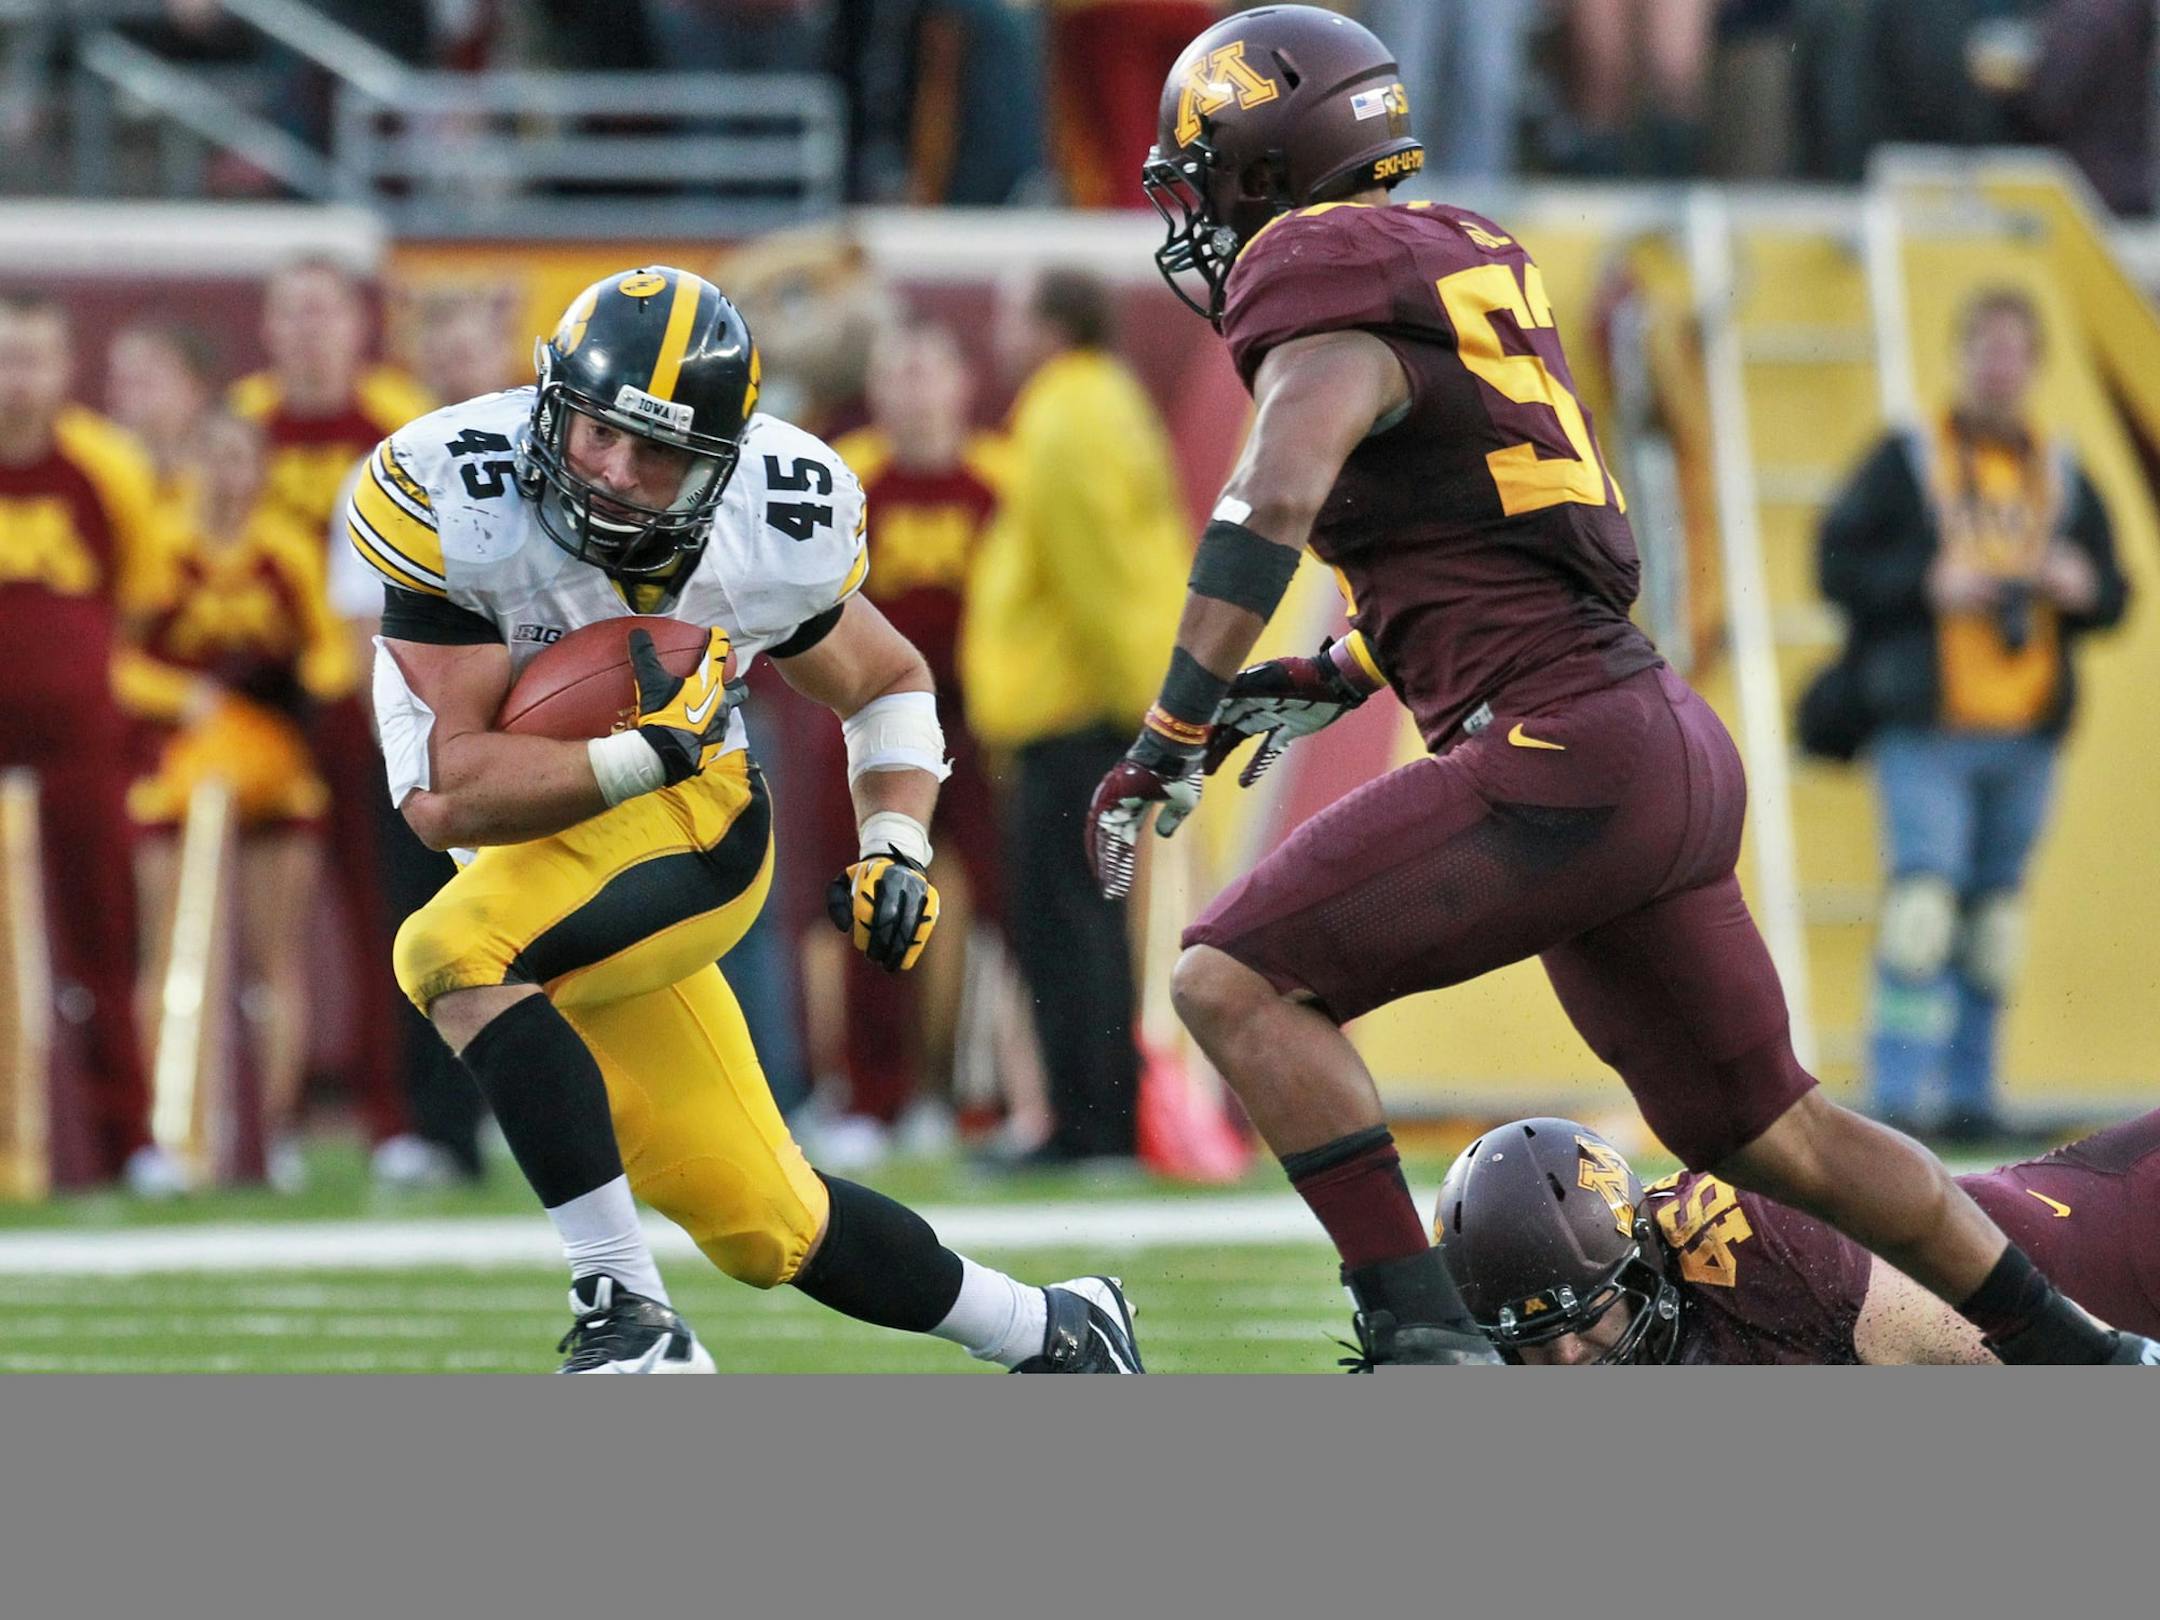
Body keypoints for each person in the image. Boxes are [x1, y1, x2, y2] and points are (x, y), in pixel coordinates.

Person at [1087, 4, 2159, 1367]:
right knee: (1775, 1132)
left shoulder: (1319, 272)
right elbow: (1517, 538)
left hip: (1560, 753)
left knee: (1231, 982)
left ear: (1264, 167)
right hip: (1650, 737)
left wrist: (1172, 724)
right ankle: (2085, 1357)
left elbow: (1271, 498)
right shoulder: (1462, 254)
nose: (1196, 219)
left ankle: (1425, 1343)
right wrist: (1345, 663)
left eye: (1204, 181)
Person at [348, 264, 1144, 1373]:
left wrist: (895, 842)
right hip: (541, 847)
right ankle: (1057, 1329)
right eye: (599, 433)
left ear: (719, 468)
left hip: (693, 826)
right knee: (768, 1220)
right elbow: (444, 797)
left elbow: (890, 680)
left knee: (450, 952)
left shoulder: (770, 523)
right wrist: (641, 747)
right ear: (552, 405)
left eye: (658, 454)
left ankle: (626, 1315)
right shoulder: (457, 496)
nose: (615, 472)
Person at [1819, 287, 2128, 1142]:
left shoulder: (2058, 474)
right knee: (1922, 912)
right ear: (1960, 356)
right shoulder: (1911, 459)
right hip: (1929, 728)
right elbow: (1836, 565)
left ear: (2034, 366)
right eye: (1985, 347)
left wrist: (2082, 586)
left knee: (1995, 922)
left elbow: (2116, 593)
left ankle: (1971, 1097)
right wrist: (1925, 584)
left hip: (2025, 734)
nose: (1998, 366)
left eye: (2013, 350)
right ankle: (1899, 1098)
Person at [965, 267, 1188, 1167]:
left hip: (1077, 714)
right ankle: (1096, 1117)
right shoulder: (1110, 401)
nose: (1000, 330)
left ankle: (1086, 1124)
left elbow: (1095, 575)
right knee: (1087, 919)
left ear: (1055, 326)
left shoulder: (1064, 415)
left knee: (1066, 927)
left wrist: (1144, 708)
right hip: (1099, 707)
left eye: (1014, 313)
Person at [232, 256, 438, 1179]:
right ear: (268, 327)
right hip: (257, 704)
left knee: (385, 917)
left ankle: (395, 1118)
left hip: (365, 699)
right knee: (253, 925)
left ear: (359, 325)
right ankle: (251, 1120)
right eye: (293, 312)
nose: (309, 330)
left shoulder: (399, 420)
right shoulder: (243, 421)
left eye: (324, 311)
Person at [1435, 1112, 2160, 1364]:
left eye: (1587, 1316)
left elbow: (2027, 1360)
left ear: (1643, 1266)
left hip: (2119, 1258)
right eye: (1532, 1338)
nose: (1564, 1357)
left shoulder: (1764, 1250)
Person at [127, 409, 350, 1191]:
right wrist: (188, 697)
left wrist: (280, 693)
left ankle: (272, 1129)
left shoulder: (287, 550)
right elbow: (117, 655)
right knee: (166, 954)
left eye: (239, 459)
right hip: (174, 773)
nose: (225, 476)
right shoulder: (160, 544)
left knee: (273, 960)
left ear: (260, 470)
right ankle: (165, 1129)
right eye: (211, 457)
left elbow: (332, 654)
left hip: (273, 776)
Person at [812, 323, 1011, 1164]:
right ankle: (871, 1095)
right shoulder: (842, 476)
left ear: (962, 383)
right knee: (870, 901)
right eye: (897, 371)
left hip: (984, 723)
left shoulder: (1005, 476)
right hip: (873, 723)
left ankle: (985, 1096)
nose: (914, 390)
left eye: (928, 369)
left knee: (1005, 912)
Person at [0, 293, 171, 1193]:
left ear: (65, 368)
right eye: (4, 359)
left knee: (102, 931)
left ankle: (127, 1137)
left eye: (32, 359)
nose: (15, 380)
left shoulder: (109, 467)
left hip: (77, 744)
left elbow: (139, 602)